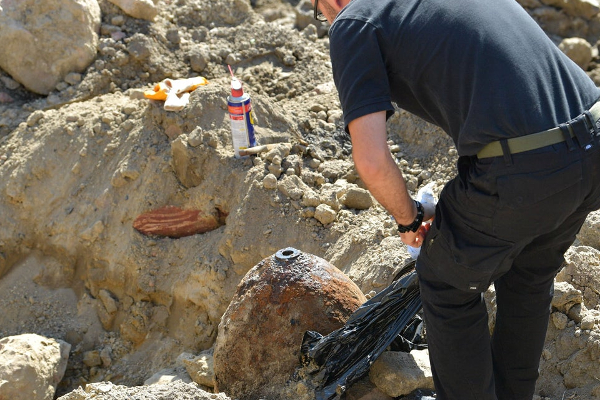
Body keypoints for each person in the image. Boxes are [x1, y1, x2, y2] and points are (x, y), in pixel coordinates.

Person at [311, 0, 600, 399]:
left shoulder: (355, 21)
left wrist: (409, 220)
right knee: (528, 276)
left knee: (447, 281)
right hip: (591, 144)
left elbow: (372, 161)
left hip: (527, 167)